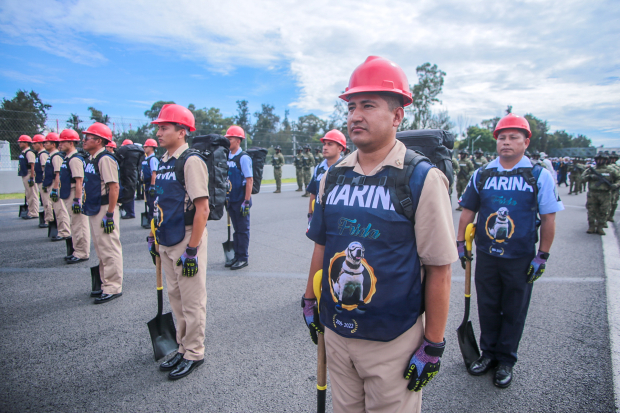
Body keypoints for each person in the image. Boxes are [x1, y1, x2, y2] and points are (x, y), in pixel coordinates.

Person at [303, 56, 456, 412]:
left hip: (392, 343)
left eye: (368, 105)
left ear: (397, 116)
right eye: (352, 106)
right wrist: (309, 298)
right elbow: (322, 245)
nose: (355, 115)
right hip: (337, 335)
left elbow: (440, 268)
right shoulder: (334, 175)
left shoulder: (421, 179)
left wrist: (433, 344)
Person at [457, 113, 564, 388]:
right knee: (488, 306)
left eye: (513, 137)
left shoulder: (538, 175)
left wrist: (543, 255)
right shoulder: (483, 173)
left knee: (514, 309)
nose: (506, 142)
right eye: (502, 137)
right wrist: (460, 242)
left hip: (520, 257)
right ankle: (488, 354)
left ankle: (506, 359)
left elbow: (549, 218)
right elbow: (468, 210)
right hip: (487, 255)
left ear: (526, 142)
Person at [148, 104, 209, 380]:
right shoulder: (164, 160)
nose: (158, 132)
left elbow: (202, 209)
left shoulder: (190, 161)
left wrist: (193, 250)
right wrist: (154, 236)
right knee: (176, 299)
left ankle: (195, 352)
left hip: (186, 239)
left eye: (164, 128)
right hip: (167, 237)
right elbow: (160, 200)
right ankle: (183, 346)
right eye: (158, 127)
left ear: (181, 132)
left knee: (192, 300)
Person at [82, 122, 123, 303]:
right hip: (95, 207)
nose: (83, 141)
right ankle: (105, 282)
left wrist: (109, 214)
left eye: (87, 138)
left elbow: (113, 187)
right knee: (101, 247)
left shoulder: (105, 159)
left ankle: (113, 286)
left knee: (109, 247)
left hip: (105, 209)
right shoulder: (93, 158)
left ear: (98, 140)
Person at [58, 129, 90, 264]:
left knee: (79, 224)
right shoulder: (68, 158)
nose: (59, 144)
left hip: (74, 193)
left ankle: (82, 252)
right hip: (69, 192)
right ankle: (77, 250)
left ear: (71, 142)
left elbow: (79, 181)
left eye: (63, 141)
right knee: (74, 223)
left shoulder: (75, 159)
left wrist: (77, 200)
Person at [225, 125, 253, 270]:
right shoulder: (227, 157)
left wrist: (246, 201)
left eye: (230, 138)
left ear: (238, 140)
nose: (227, 141)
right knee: (236, 230)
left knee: (242, 230)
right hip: (231, 198)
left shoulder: (243, 158)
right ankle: (236, 255)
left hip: (242, 200)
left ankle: (243, 258)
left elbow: (249, 180)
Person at [305, 130, 345, 226]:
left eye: (330, 144)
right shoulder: (319, 168)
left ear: (340, 148)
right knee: (318, 241)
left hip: (340, 219)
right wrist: (310, 215)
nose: (325, 147)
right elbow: (313, 193)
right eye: (324, 144)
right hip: (320, 217)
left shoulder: (347, 168)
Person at [581, 152, 619, 234]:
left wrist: (615, 185)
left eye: (602, 159)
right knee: (591, 210)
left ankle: (600, 227)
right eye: (599, 159)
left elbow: (618, 179)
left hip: (605, 194)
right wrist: (590, 177)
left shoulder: (611, 170)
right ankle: (591, 226)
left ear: (605, 160)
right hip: (593, 193)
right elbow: (582, 178)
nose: (600, 161)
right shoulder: (591, 170)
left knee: (604, 211)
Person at [45, 133, 71, 242]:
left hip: (56, 185)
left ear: (53, 144)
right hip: (52, 184)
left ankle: (64, 231)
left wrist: (55, 188)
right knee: (57, 209)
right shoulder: (51, 156)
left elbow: (58, 174)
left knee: (60, 209)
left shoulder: (56, 157)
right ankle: (62, 230)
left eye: (46, 142)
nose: (44, 144)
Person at [116, 140, 145, 219]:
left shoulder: (123, 151)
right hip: (134, 174)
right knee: (131, 193)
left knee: (124, 192)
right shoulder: (139, 151)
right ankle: (130, 211)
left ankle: (128, 212)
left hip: (124, 174)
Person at [32, 134, 53, 228]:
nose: (33, 145)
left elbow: (45, 169)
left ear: (40, 144)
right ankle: (47, 218)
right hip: (40, 181)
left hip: (43, 181)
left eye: (35, 143)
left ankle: (49, 220)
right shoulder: (39, 154)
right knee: (44, 201)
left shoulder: (43, 154)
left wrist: (44, 182)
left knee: (47, 201)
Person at [17, 135, 39, 220]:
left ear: (26, 143)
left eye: (21, 142)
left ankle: (34, 212)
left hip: (29, 174)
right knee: (28, 194)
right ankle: (30, 211)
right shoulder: (23, 152)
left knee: (32, 194)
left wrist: (32, 178)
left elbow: (32, 165)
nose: (19, 143)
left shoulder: (29, 153)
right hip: (25, 174)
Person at [141, 138, 159, 228]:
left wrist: (152, 186)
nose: (144, 147)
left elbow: (154, 173)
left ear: (151, 148)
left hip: (151, 184)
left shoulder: (153, 159)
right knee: (148, 202)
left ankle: (152, 220)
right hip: (146, 183)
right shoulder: (146, 159)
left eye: (146, 146)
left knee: (152, 204)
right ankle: (149, 219)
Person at [608, 152, 620, 222]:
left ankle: (610, 216)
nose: (613, 160)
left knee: (614, 203)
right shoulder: (606, 167)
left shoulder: (617, 167)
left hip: (615, 188)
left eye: (614, 158)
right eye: (611, 158)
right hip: (606, 188)